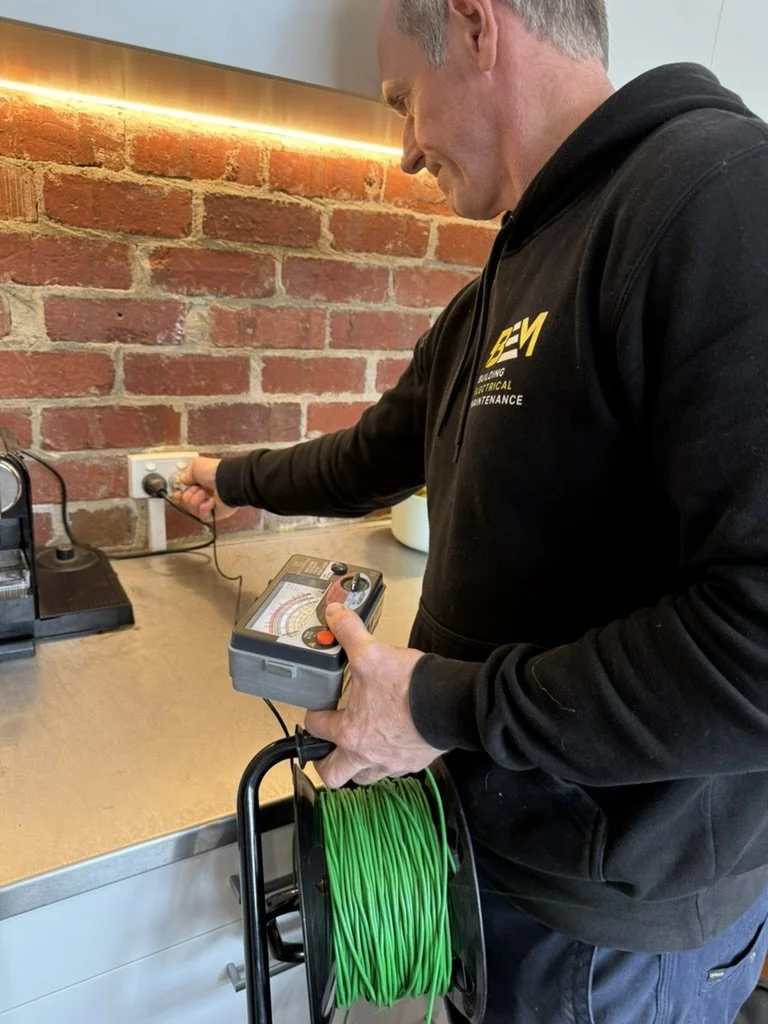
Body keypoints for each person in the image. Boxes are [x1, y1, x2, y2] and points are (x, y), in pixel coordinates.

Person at [176, 0, 768, 1020]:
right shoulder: (508, 275)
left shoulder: (716, 198)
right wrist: (231, 482)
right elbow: (377, 449)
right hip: (502, 870)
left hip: (610, 932)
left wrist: (436, 706)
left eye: (404, 97)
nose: (404, 149)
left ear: (477, 24)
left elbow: (756, 644)